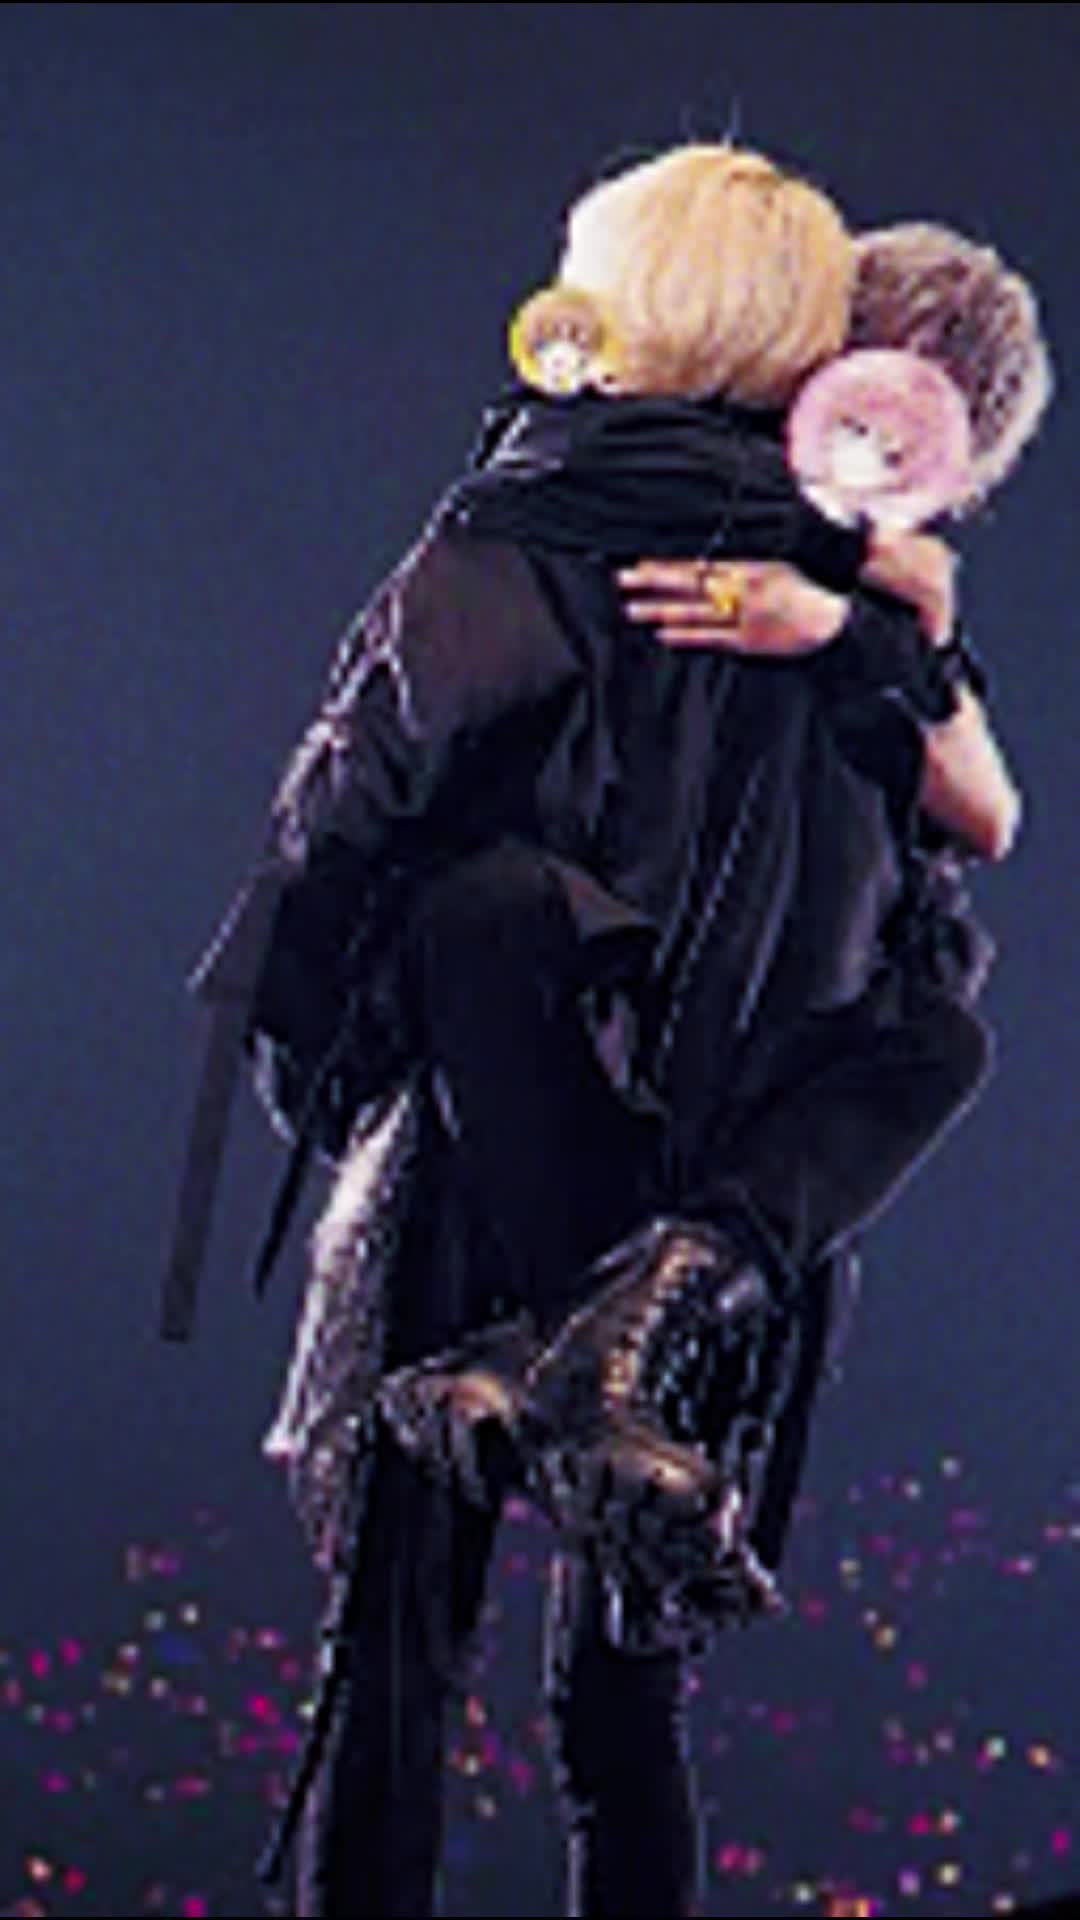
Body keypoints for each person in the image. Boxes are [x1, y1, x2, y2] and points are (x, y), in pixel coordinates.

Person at [181, 148, 1050, 1916]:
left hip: (480, 1172)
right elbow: (950, 893)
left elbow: (344, 825)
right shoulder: (860, 604)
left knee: (394, 1660)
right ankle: (621, 1341)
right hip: (712, 1222)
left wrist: (311, 1073)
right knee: (624, 1708)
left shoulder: (523, 532)